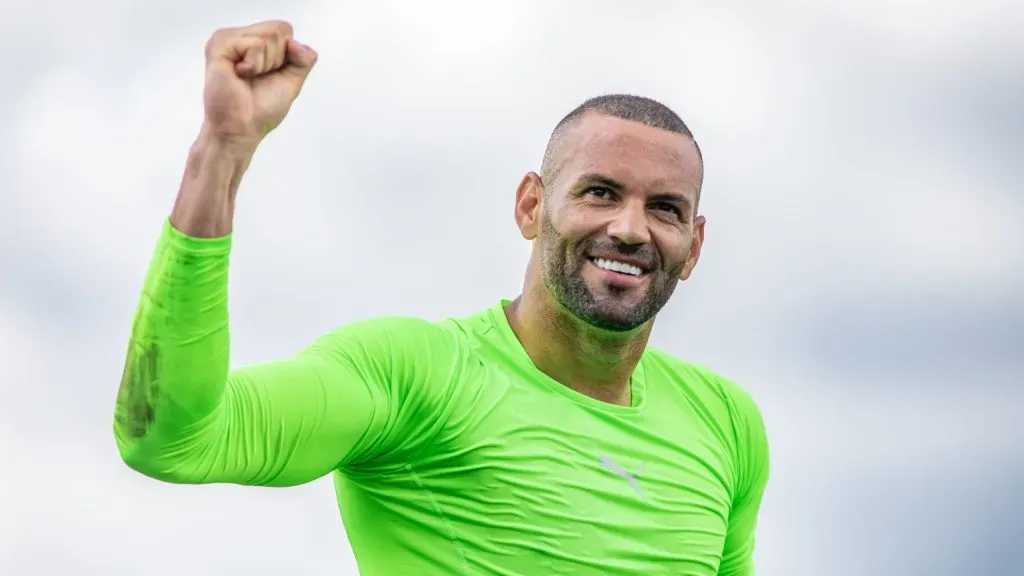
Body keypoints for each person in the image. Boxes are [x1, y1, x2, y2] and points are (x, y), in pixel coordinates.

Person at [113, 19, 770, 576]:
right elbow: (170, 440)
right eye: (599, 192)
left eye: (664, 208)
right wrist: (221, 152)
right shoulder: (414, 375)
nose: (629, 228)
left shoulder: (726, 423)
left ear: (695, 244)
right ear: (531, 206)